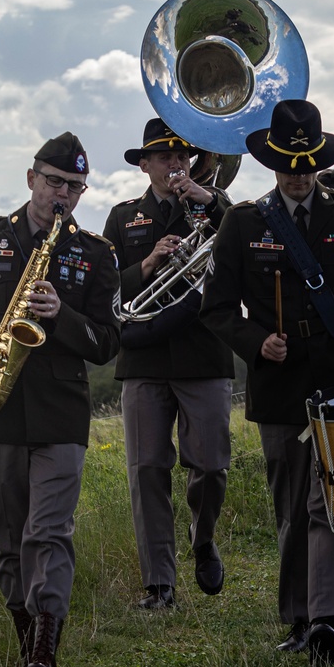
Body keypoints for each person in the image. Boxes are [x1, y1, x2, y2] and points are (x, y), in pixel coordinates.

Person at [199, 100, 334, 667]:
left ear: (318, 162)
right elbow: (216, 309)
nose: (297, 174)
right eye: (288, 165)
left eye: (306, 164)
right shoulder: (242, 222)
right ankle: (298, 615)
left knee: (332, 496)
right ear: (274, 165)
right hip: (279, 382)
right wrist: (254, 342)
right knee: (292, 503)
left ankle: (324, 618)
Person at [0, 133, 121, 667]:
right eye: (53, 181)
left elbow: (106, 342)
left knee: (49, 531)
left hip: (61, 411)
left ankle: (45, 651)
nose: (62, 194)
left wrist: (61, 315)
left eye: (74, 187)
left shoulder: (96, 252)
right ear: (31, 178)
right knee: (8, 540)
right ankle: (26, 637)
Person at [103, 120, 235, 610]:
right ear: (145, 164)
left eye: (181, 155)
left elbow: (244, 231)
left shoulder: (213, 208)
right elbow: (105, 290)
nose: (174, 163)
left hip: (203, 353)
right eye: (163, 156)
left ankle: (203, 538)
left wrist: (206, 197)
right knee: (147, 470)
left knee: (212, 465)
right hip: (144, 358)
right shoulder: (123, 218)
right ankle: (159, 583)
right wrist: (149, 265)